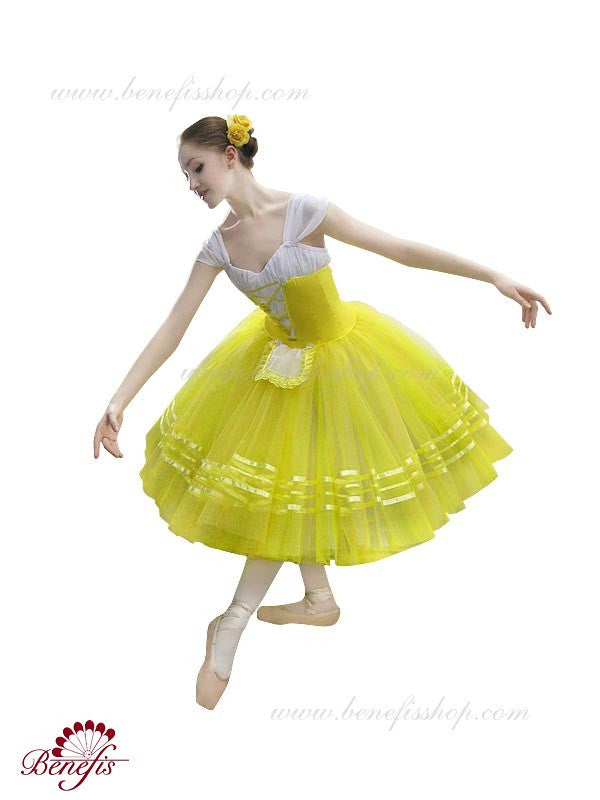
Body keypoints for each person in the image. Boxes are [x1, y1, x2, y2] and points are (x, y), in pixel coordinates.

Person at [93, 114, 551, 710]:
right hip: (273, 372)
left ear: (231, 156)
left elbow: (399, 249)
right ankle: (316, 600)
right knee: (292, 489)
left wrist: (493, 275)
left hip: (346, 364)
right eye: (184, 173)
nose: (191, 183)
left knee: (295, 488)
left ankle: (234, 621)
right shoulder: (217, 245)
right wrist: (118, 400)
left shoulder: (304, 211)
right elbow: (173, 327)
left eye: (196, 167)